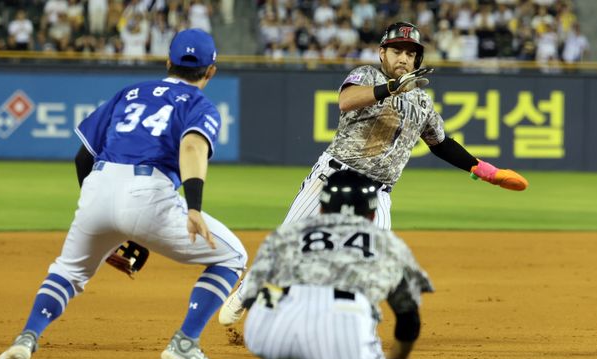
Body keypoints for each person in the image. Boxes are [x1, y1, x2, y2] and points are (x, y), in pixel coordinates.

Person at [219, 21, 527, 325]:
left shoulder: (421, 101)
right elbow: (346, 101)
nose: (403, 58)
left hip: (377, 194)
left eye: (410, 53)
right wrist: (391, 88)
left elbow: (441, 143)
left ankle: (344, 327)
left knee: (373, 260)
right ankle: (248, 294)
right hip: (332, 178)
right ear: (382, 53)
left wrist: (485, 170)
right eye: (396, 51)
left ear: (417, 59)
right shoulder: (367, 75)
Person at [0, 29, 247, 359]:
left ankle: (26, 338)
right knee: (233, 256)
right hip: (148, 191)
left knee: (68, 272)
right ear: (211, 71)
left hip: (98, 185)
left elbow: (83, 157)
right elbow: (191, 147)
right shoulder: (199, 105)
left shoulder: (130, 93)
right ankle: (185, 342)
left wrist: (104, 220)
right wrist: (193, 207)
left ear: (168, 62)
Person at [242, 170, 430, 359]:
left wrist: (285, 319)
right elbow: (408, 316)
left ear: (322, 208)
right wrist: (398, 357)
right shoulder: (386, 242)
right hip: (340, 327)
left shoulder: (286, 234)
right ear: (372, 214)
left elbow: (251, 297)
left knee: (281, 318)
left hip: (265, 328)